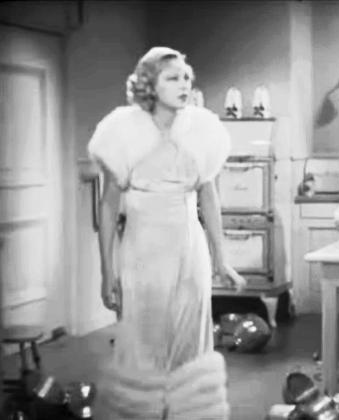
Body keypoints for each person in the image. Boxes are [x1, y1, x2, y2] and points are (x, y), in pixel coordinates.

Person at [88, 46, 243, 420]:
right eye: (173, 78)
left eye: (187, 77)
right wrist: (107, 271)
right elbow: (108, 206)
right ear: (149, 85)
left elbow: (209, 198)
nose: (184, 84)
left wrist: (221, 259)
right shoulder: (122, 132)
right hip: (143, 248)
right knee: (145, 339)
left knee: (191, 340)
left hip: (189, 247)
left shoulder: (201, 130)